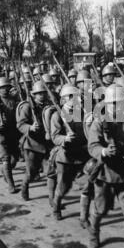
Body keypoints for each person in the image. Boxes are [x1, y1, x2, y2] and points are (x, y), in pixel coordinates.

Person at [87, 84, 124, 248]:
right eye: (113, 103)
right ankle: (94, 232)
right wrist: (103, 151)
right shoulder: (99, 122)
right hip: (106, 173)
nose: (117, 107)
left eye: (120, 103)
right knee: (100, 209)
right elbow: (92, 146)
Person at [50, 84, 90, 220]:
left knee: (88, 185)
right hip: (66, 157)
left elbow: (88, 132)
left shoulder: (83, 112)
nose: (74, 100)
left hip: (82, 154)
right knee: (63, 187)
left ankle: (84, 216)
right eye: (70, 97)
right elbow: (54, 137)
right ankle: (56, 207)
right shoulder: (57, 115)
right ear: (63, 100)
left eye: (76, 97)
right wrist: (65, 138)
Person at [17, 81, 49, 201]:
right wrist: (30, 127)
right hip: (32, 145)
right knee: (31, 173)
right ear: (34, 95)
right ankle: (24, 186)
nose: (42, 95)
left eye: (43, 93)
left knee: (51, 173)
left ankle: (54, 199)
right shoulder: (27, 107)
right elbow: (20, 125)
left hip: (46, 144)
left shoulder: (48, 105)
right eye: (39, 93)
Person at [0, 77, 20, 194]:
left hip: (13, 131)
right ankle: (11, 185)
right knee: (6, 159)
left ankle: (4, 171)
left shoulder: (13, 99)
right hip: (1, 134)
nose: (5, 90)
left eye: (7, 87)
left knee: (15, 157)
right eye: (2, 88)